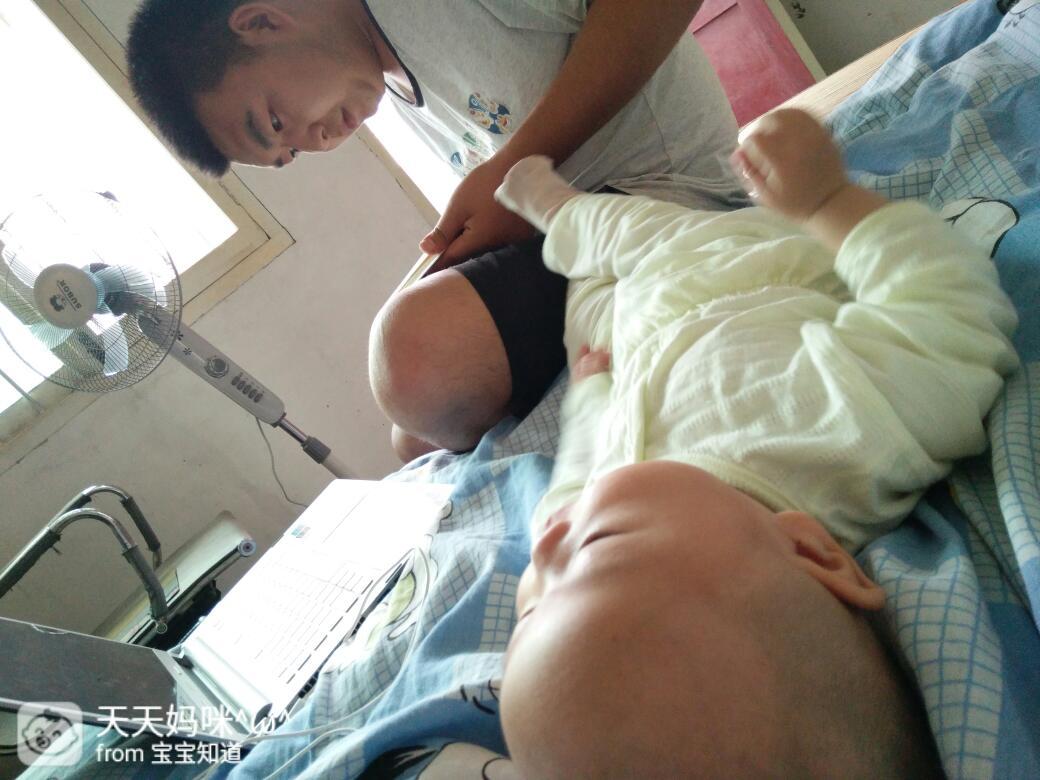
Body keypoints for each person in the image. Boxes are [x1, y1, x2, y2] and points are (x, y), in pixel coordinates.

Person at [493, 108, 1019, 776]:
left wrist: (591, 394)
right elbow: (946, 309)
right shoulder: (843, 432)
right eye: (598, 543)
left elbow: (574, 479)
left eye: (527, 612)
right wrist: (829, 202)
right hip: (742, 261)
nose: (544, 548)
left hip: (632, 335)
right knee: (626, 233)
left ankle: (570, 231)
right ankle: (561, 211)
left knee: (591, 292)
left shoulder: (579, 529)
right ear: (810, 549)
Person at [126, 0, 747, 461]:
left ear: (261, 22)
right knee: (412, 435)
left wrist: (515, 169)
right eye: (290, 154)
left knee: (413, 357)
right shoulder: (390, 75)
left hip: (674, 195)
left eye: (274, 122)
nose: (315, 142)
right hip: (591, 222)